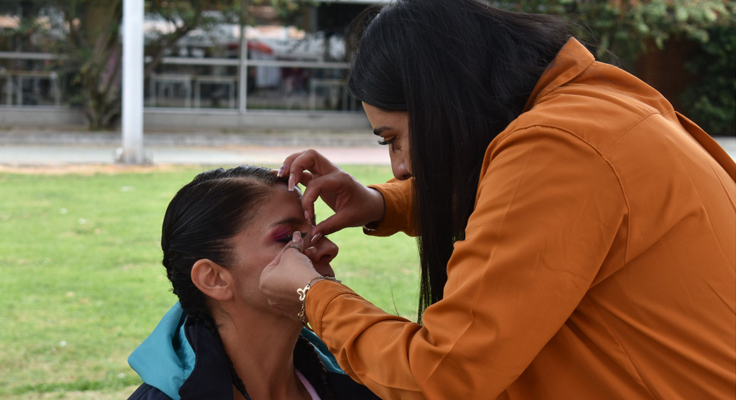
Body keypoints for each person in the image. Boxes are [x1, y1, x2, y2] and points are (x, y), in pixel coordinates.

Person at [259, 1, 736, 399]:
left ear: (444, 100)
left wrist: (311, 295)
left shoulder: (558, 147)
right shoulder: (593, 105)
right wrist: (385, 204)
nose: (400, 167)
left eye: (393, 139)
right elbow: (530, 210)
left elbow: (442, 375)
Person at [127, 166, 380, 400]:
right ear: (214, 279)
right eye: (286, 237)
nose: (329, 248)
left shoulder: (366, 380)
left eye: (314, 229)